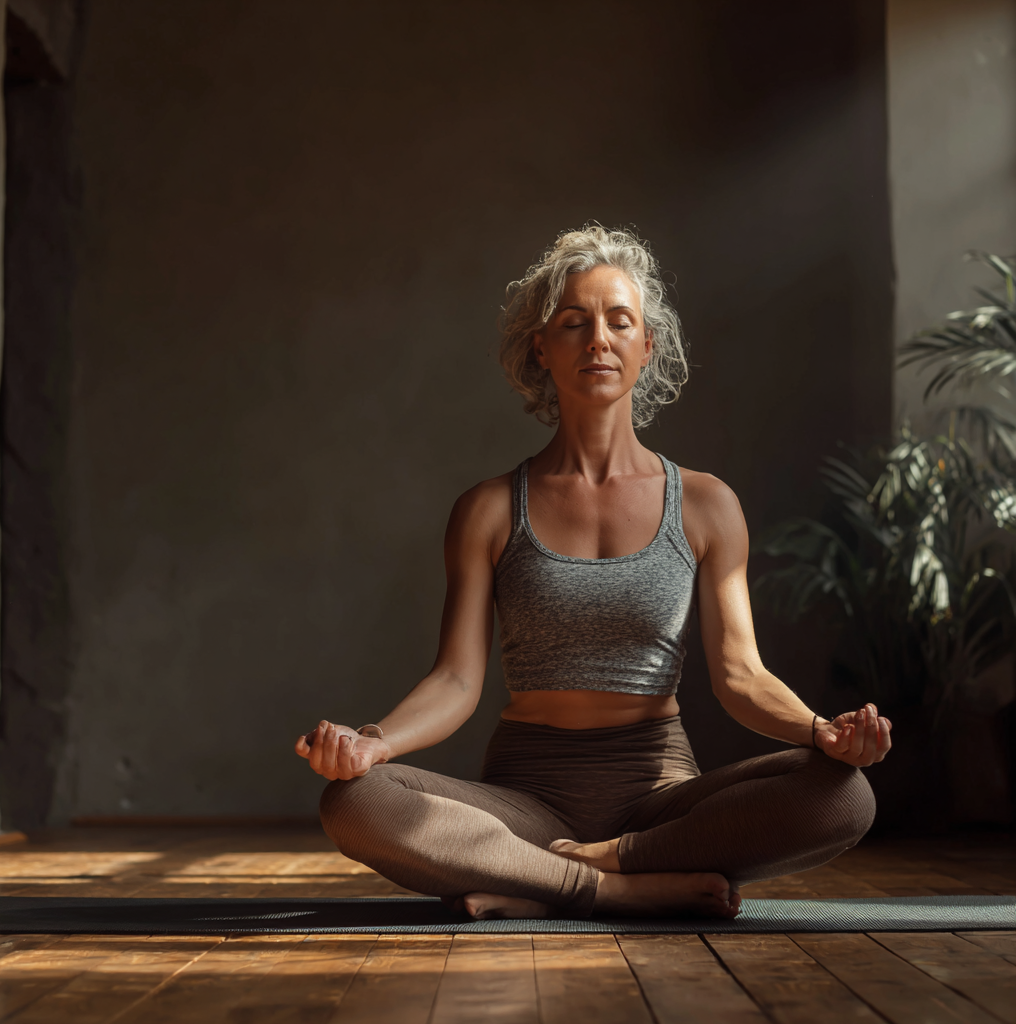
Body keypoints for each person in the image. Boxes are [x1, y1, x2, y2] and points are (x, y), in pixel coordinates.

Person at [294, 226, 890, 920]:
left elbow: (740, 675)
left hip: (661, 801)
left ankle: (579, 871)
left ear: (647, 346)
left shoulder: (705, 504)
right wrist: (374, 745)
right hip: (524, 800)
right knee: (355, 800)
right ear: (541, 349)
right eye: (573, 323)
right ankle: (604, 889)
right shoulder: (488, 509)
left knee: (846, 793)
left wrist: (822, 733)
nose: (598, 340)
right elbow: (457, 679)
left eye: (619, 322)